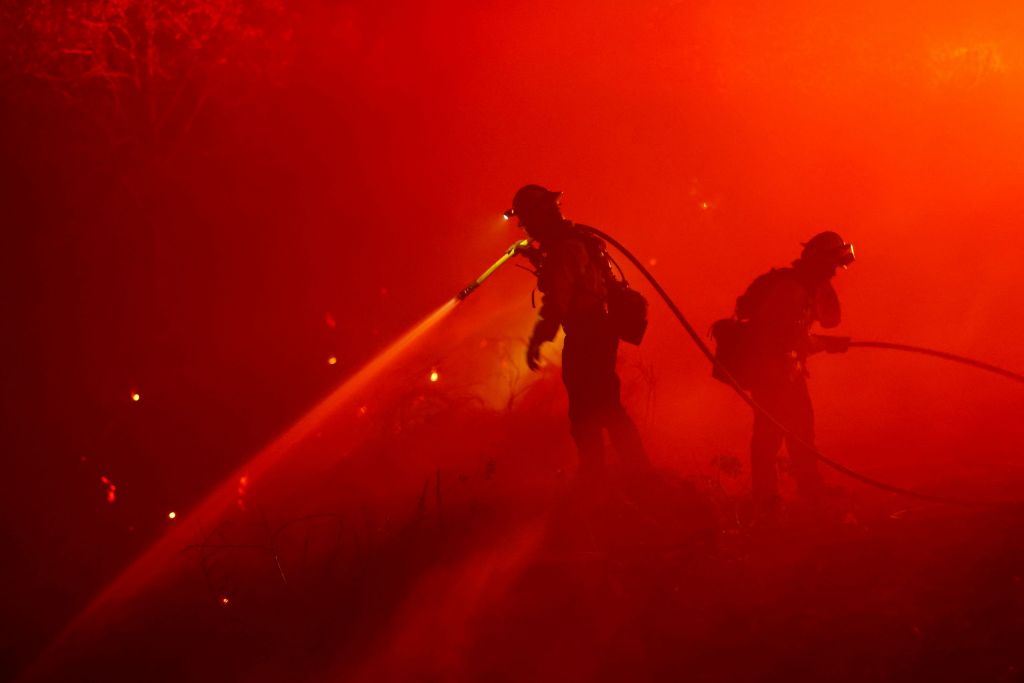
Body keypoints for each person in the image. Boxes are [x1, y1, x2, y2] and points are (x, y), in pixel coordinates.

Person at [505, 185, 648, 476]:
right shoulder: (569, 244)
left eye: (528, 222)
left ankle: (610, 475)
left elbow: (558, 300)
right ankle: (626, 473)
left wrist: (537, 340)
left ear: (541, 215)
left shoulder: (567, 248)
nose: (527, 229)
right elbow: (567, 277)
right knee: (599, 406)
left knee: (591, 410)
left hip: (588, 334)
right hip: (594, 331)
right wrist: (533, 255)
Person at [735, 231, 855, 516]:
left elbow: (829, 321)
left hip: (788, 370)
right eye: (832, 265)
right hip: (771, 372)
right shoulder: (791, 289)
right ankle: (765, 501)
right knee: (769, 436)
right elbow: (785, 338)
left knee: (802, 430)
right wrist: (827, 345)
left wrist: (824, 338)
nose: (835, 272)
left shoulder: (807, 286)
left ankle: (809, 490)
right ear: (819, 261)